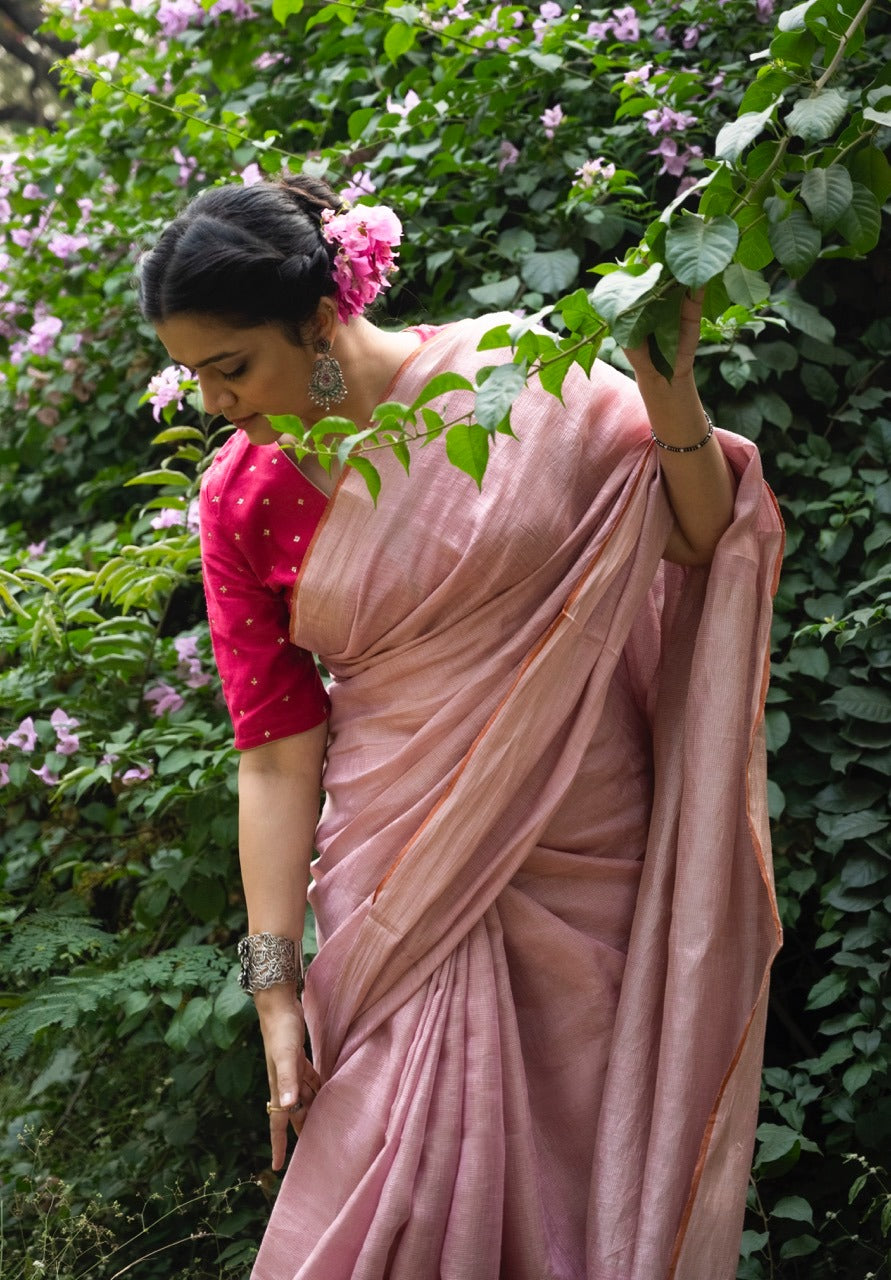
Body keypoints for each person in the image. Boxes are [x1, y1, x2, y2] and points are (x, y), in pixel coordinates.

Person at [138, 173, 784, 1280]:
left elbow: (699, 539)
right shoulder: (243, 497)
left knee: (577, 1184)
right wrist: (275, 984)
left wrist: (669, 396)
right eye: (193, 374)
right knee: (382, 1192)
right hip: (398, 875)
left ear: (319, 315)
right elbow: (276, 752)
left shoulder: (513, 382)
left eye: (231, 366)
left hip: (586, 849)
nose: (211, 403)